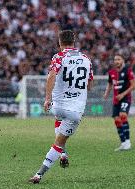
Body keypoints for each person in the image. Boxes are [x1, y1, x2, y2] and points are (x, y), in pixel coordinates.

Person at [29, 30, 93, 184]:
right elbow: (89, 85)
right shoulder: (86, 59)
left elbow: (51, 75)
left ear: (59, 42)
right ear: (74, 41)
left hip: (57, 106)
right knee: (59, 142)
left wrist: (47, 98)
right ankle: (39, 174)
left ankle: (63, 155)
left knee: (59, 117)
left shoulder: (59, 57)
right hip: (76, 110)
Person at [103, 54, 135, 151]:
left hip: (126, 98)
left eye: (118, 59)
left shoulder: (128, 70)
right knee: (117, 120)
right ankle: (123, 143)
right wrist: (106, 94)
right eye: (115, 59)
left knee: (123, 115)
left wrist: (123, 94)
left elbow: (134, 85)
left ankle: (128, 142)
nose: (116, 61)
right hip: (116, 100)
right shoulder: (111, 72)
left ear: (122, 60)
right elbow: (109, 85)